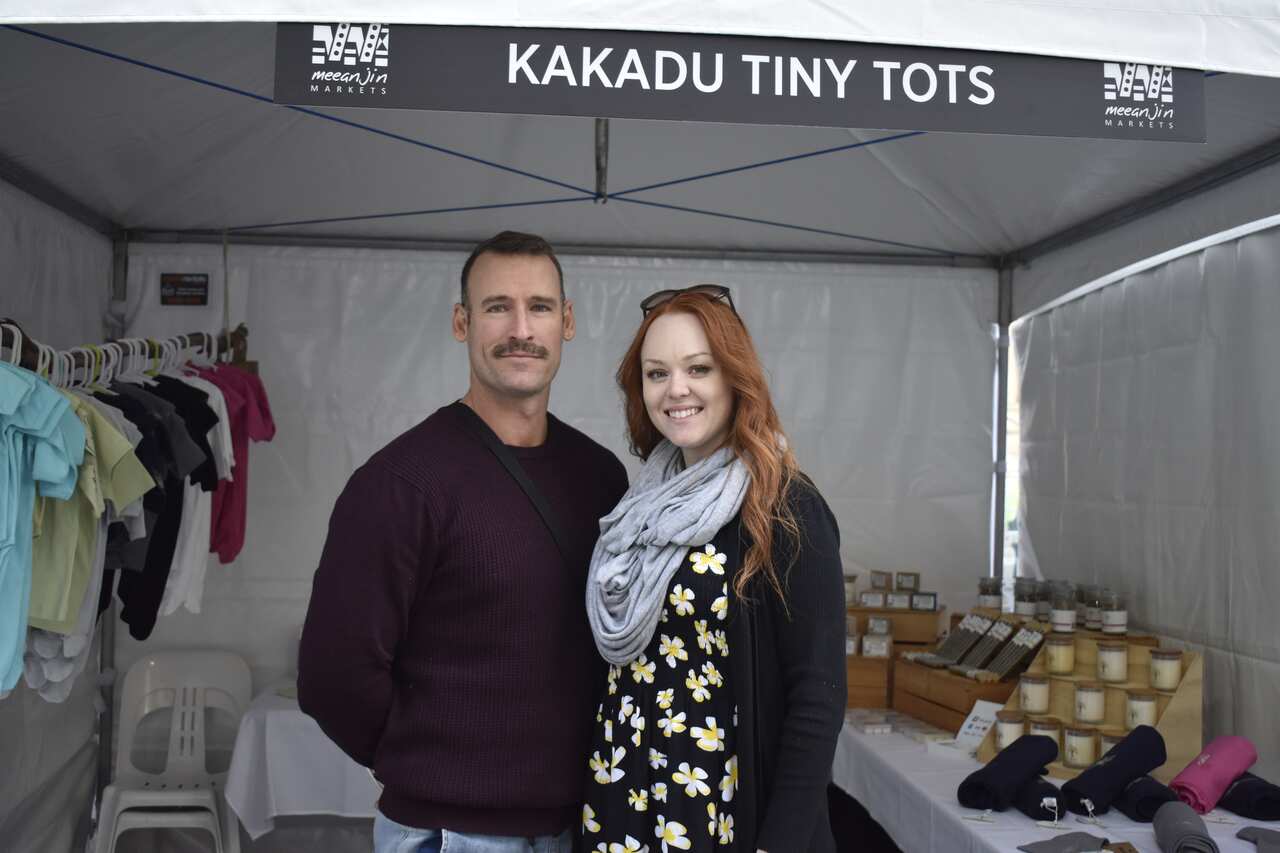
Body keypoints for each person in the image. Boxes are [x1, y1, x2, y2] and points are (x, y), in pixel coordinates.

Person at [298, 230, 629, 853]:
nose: (521, 328)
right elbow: (332, 674)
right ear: (461, 322)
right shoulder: (401, 484)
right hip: (449, 834)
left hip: (577, 826)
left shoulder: (601, 476)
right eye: (497, 306)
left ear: (568, 323)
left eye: (541, 307)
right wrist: (426, 762)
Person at [583, 284, 846, 853]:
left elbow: (817, 698)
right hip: (625, 796)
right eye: (656, 374)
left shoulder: (785, 506)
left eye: (697, 368)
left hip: (720, 812)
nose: (675, 390)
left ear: (735, 376)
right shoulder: (642, 505)